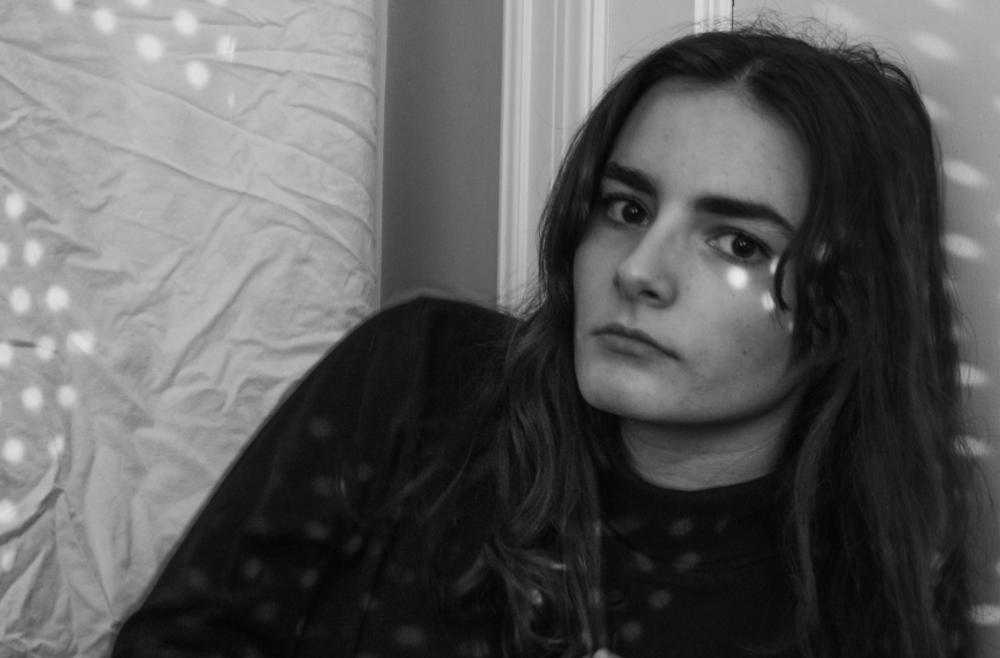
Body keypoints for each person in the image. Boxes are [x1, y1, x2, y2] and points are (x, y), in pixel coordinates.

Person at [112, 22, 982, 658]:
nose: (640, 269)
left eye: (739, 244)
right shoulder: (418, 381)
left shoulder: (860, 608)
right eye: (627, 208)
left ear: (848, 305)